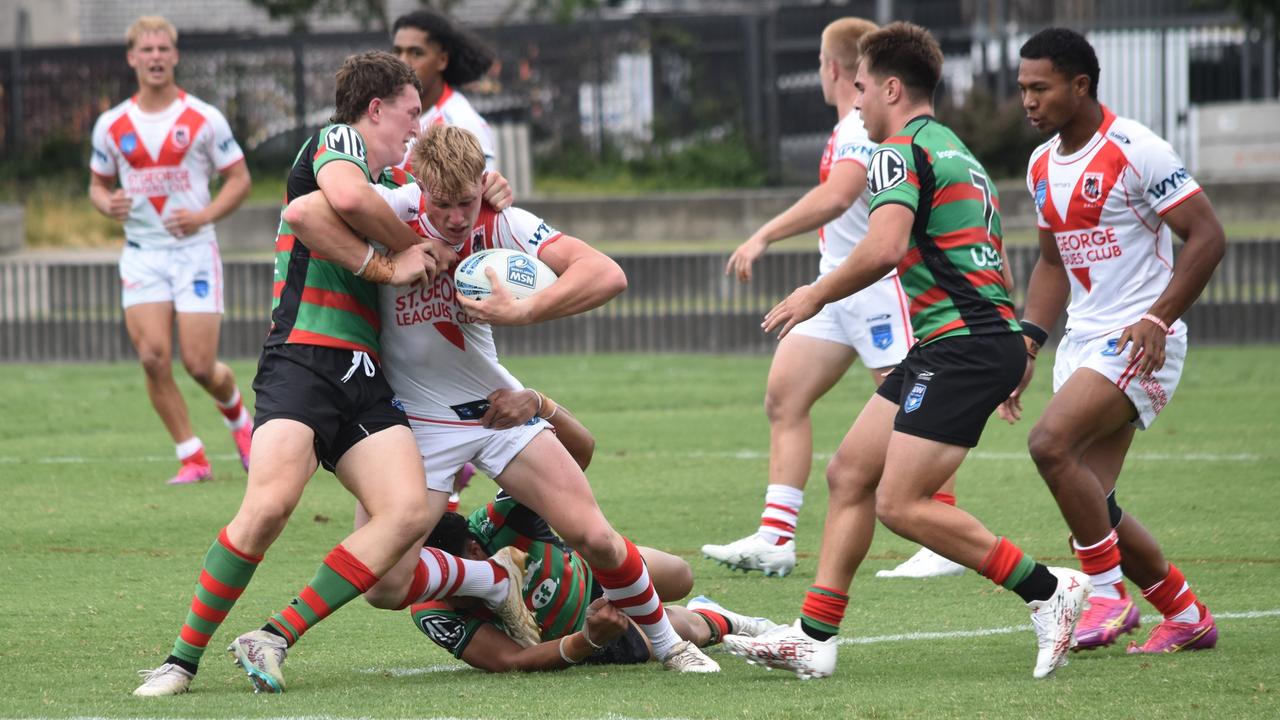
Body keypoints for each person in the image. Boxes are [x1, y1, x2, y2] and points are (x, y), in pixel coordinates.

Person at [132, 51, 521, 698]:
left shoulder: (395, 171)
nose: (417, 124)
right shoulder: (337, 141)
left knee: (401, 515)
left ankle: (274, 633)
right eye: (410, 111)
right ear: (376, 109)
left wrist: (492, 186)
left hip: (367, 375)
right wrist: (391, 262)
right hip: (305, 358)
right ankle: (179, 660)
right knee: (268, 509)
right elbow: (331, 202)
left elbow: (444, 187)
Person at [720, 22, 1090, 681]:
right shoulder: (953, 149)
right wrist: (1012, 346)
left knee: (900, 503)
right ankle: (813, 637)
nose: (855, 102)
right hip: (961, 340)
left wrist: (815, 292)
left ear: (891, 88)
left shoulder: (896, 150)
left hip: (964, 344)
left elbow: (884, 246)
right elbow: (981, 255)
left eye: (861, 88)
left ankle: (1047, 590)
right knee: (850, 475)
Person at [280, 124, 722, 673]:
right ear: (419, 184)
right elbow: (303, 214)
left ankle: (670, 644)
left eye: (466, 201)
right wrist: (386, 263)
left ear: (480, 185)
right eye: (442, 205)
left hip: (494, 409)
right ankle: (491, 579)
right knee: (386, 586)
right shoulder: (389, 210)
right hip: (415, 425)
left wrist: (524, 311)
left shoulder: (500, 219)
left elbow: (606, 273)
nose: (457, 218)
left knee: (595, 537)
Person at [700, 17, 963, 581]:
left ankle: (942, 531)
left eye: (822, 64)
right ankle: (776, 535)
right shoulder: (851, 126)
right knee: (784, 397)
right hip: (835, 292)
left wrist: (765, 233)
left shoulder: (857, 131)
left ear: (833, 67)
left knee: (916, 406)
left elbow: (839, 195)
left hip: (876, 290)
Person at [1005, 27, 1223, 654]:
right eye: (1022, 89)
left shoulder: (1136, 148)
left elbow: (1207, 236)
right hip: (1081, 341)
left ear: (1080, 85)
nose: (1028, 101)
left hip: (1139, 340)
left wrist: (1157, 318)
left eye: (1039, 88)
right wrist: (1028, 343)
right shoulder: (1041, 164)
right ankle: (1185, 615)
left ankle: (1104, 597)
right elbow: (1052, 264)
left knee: (1049, 444)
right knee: (1093, 500)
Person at [411, 390, 776, 671]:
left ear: (474, 550)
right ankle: (732, 622)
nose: (449, 593)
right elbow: (511, 661)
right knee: (688, 629)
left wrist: (539, 402)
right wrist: (588, 640)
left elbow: (579, 454)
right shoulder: (431, 610)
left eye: (451, 581)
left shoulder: (502, 520)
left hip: (590, 578)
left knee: (680, 575)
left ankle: (688, 604)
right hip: (579, 634)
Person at [89, 16, 253, 485]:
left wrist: (203, 216)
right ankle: (192, 456)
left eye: (164, 49)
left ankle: (239, 419)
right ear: (132, 58)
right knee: (152, 358)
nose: (156, 57)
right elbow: (98, 187)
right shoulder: (111, 124)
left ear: (175, 56)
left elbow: (239, 179)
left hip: (194, 251)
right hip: (142, 253)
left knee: (200, 365)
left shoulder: (202, 117)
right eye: (147, 50)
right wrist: (108, 203)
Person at [392, 9, 497, 172]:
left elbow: (480, 194)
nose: (402, 62)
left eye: (416, 53)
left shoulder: (462, 125)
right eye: (398, 51)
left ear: (442, 60)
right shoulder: (385, 116)